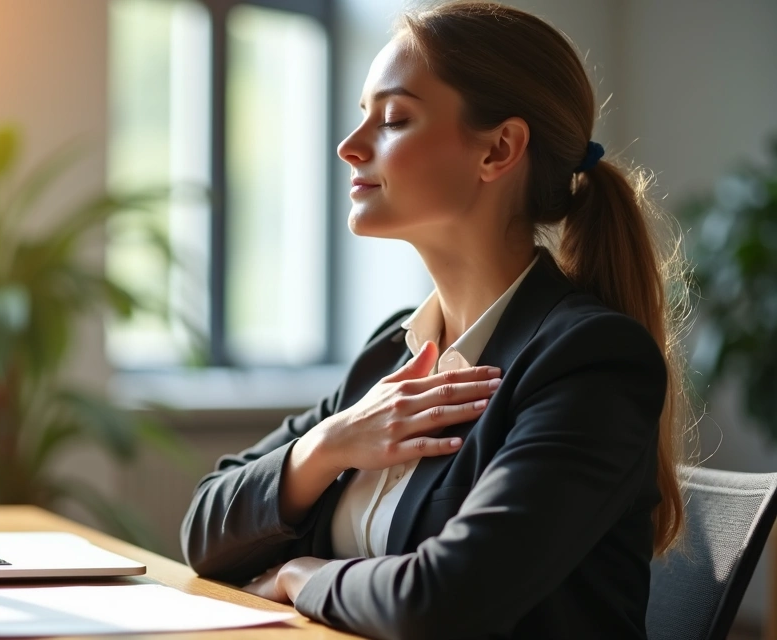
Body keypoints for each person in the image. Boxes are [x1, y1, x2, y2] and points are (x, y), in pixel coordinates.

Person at [179, 2, 692, 638]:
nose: (349, 146)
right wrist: (326, 445)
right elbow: (203, 531)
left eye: (394, 118)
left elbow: (446, 598)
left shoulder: (591, 362)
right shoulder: (392, 351)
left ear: (499, 149)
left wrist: (299, 577)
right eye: (361, 115)